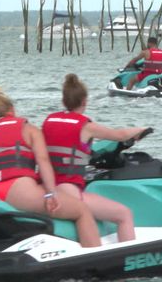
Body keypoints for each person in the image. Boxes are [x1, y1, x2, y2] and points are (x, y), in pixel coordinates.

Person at [0, 86, 101, 248]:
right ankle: (94, 260)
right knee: (81, 211)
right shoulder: (29, 130)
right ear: (12, 109)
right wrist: (51, 194)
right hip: (20, 190)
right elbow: (44, 162)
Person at [43, 74, 150, 242]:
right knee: (124, 215)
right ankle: (127, 261)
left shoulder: (49, 120)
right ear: (84, 101)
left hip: (47, 187)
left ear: (64, 101)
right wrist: (142, 129)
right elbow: (120, 135)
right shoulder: (86, 126)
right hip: (69, 190)